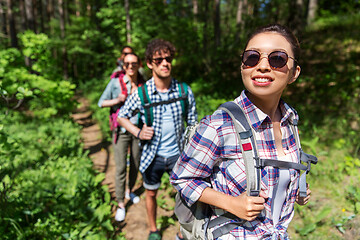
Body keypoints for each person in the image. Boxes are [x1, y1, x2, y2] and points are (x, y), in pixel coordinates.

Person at [170, 24, 311, 239]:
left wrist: (296, 192)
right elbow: (182, 178)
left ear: (294, 73)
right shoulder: (219, 125)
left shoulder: (290, 120)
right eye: (252, 57)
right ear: (242, 66)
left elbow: (277, 180)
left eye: (277, 59)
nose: (262, 66)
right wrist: (232, 203)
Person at [117, 39, 197, 240]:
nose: (165, 63)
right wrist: (137, 132)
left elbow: (194, 124)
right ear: (150, 64)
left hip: (179, 155)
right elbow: (121, 117)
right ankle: (153, 229)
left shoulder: (184, 91)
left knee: (184, 196)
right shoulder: (142, 93)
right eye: (158, 59)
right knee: (150, 193)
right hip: (152, 156)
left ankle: (182, 232)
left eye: (168, 58)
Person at [98, 53, 145, 222]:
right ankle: (120, 204)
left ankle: (130, 190)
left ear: (139, 64)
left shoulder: (143, 83)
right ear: (123, 66)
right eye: (128, 63)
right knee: (119, 168)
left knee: (135, 163)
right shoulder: (115, 83)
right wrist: (116, 100)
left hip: (138, 131)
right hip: (120, 131)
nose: (131, 66)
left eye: (134, 63)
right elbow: (101, 102)